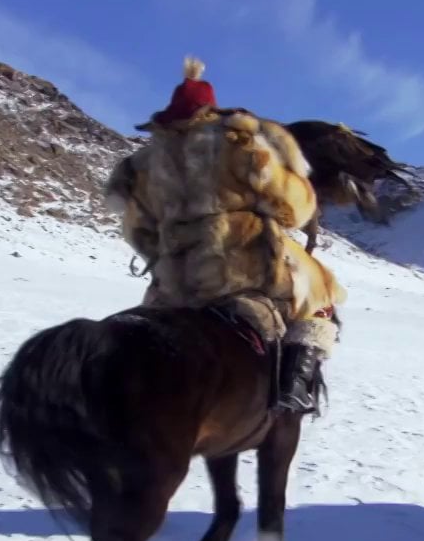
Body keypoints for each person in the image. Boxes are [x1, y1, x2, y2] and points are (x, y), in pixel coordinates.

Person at [106, 85, 343, 416]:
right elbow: (294, 208)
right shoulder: (242, 146)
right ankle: (296, 384)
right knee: (320, 295)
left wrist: (168, 254)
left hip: (174, 283)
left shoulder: (141, 166)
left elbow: (138, 231)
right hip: (240, 274)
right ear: (211, 110)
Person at [140, 55, 218, 129]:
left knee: (156, 116)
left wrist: (162, 117)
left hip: (184, 116)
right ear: (200, 72)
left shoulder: (181, 87)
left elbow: (175, 107)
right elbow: (213, 104)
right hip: (206, 114)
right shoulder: (207, 85)